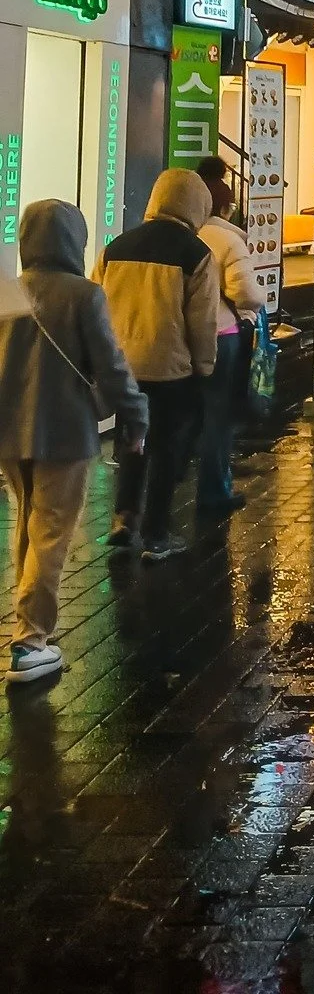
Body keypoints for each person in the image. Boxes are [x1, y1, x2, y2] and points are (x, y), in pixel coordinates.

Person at [0, 201, 148, 682]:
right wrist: (136, 417)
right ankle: (29, 641)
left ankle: (27, 627)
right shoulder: (83, 295)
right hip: (65, 432)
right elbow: (111, 364)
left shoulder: (7, 291)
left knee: (26, 523)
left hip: (8, 431)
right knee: (51, 533)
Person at [96, 168, 220, 563]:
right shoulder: (196, 254)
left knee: (132, 440)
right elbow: (202, 322)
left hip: (122, 368)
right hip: (170, 370)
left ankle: (123, 518)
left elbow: (96, 306)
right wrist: (205, 368)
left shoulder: (115, 247)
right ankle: (156, 534)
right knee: (166, 447)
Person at [195, 169, 263, 515]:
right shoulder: (228, 240)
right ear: (225, 207)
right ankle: (214, 488)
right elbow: (246, 293)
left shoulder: (184, 234)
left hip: (182, 338)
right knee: (218, 416)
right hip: (223, 336)